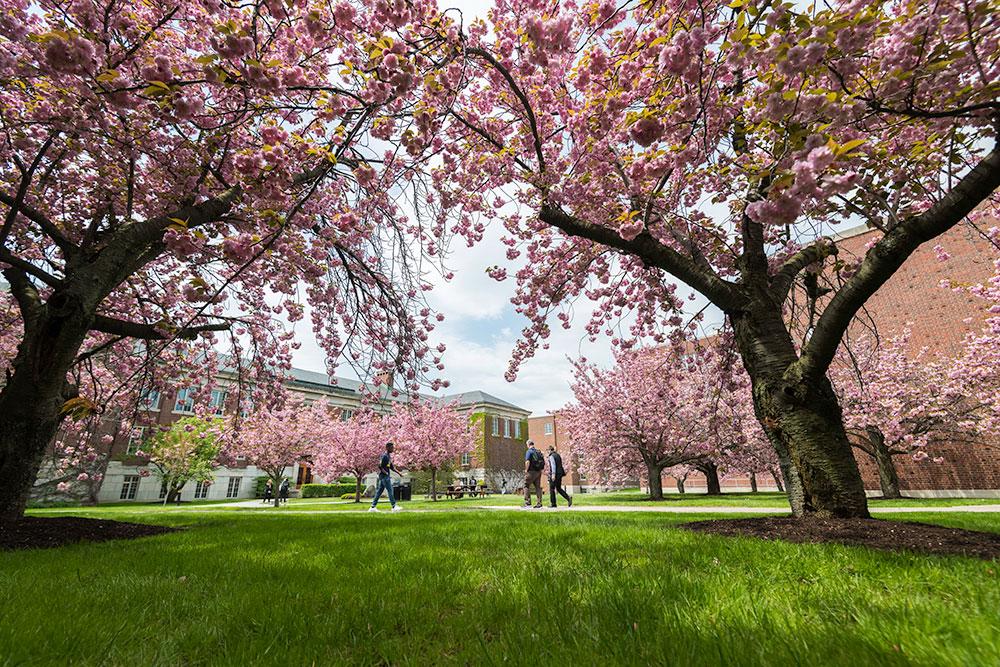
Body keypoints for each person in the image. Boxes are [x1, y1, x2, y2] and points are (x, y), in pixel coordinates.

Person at [369, 441, 403, 513]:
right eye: (392, 447)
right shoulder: (384, 456)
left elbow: (392, 467)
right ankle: (394, 507)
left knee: (379, 492)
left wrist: (399, 473)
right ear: (387, 448)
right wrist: (386, 472)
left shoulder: (388, 456)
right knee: (390, 491)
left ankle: (372, 507)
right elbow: (379, 466)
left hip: (384, 477)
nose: (393, 449)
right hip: (384, 477)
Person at [523, 440, 545, 508]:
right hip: (538, 472)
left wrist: (526, 470)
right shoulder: (538, 451)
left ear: (528, 444)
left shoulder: (529, 451)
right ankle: (539, 503)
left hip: (531, 472)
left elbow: (527, 462)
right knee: (538, 487)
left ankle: (528, 503)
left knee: (526, 485)